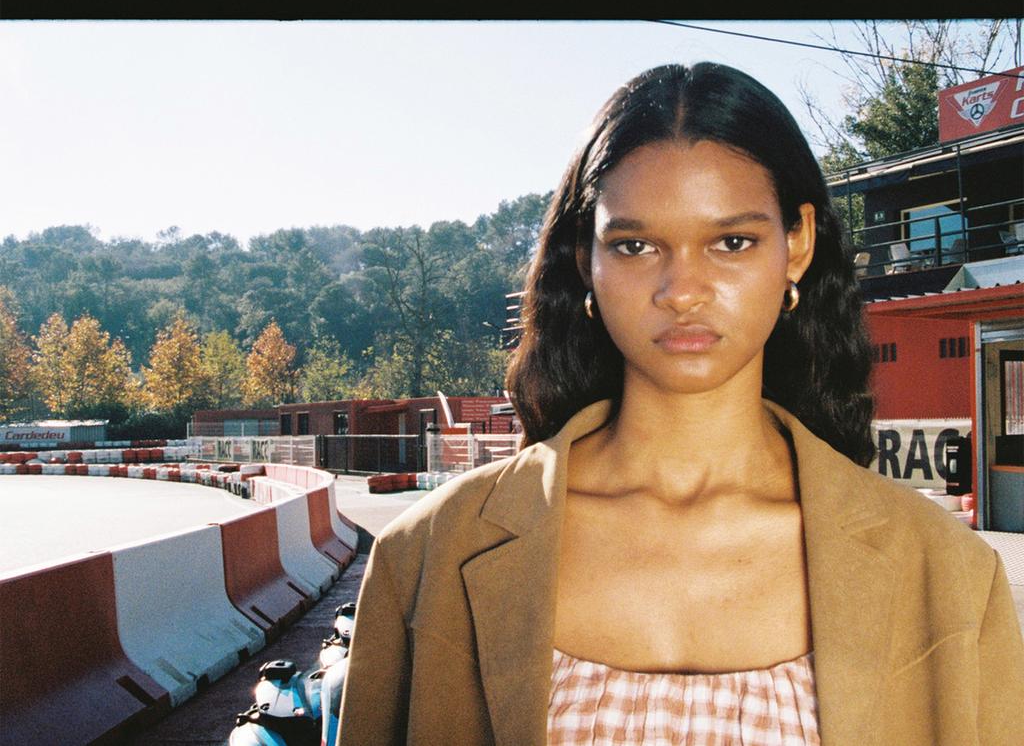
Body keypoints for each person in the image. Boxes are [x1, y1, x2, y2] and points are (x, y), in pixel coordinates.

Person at [339, 63, 1024, 745]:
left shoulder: (951, 575)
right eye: (636, 244)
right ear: (586, 257)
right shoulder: (424, 556)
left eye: (732, 241)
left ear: (798, 244)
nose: (682, 288)